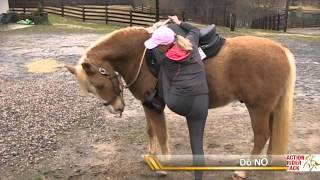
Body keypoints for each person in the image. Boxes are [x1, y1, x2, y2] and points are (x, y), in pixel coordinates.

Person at [144, 16, 209, 180]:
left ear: (165, 45)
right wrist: (179, 22)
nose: (157, 48)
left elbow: (151, 54)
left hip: (177, 103)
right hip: (201, 102)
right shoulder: (192, 43)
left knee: (162, 74)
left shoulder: (162, 58)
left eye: (159, 45)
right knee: (197, 144)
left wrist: (153, 30)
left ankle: (158, 100)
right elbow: (194, 30)